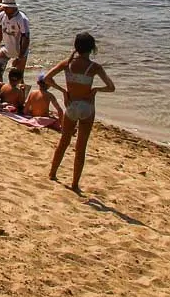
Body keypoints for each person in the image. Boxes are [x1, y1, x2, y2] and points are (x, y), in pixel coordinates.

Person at [43, 31, 116, 193]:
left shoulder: (66, 64)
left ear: (76, 46)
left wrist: (62, 91)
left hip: (71, 106)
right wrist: (96, 89)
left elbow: (47, 78)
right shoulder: (94, 67)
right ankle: (75, 184)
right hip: (87, 107)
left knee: (63, 141)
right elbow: (111, 87)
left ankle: (52, 173)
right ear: (91, 49)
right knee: (81, 147)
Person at [0, 0, 31, 74]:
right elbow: (0, 32)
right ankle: (1, 85)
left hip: (20, 51)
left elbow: (26, 38)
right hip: (6, 49)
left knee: (18, 77)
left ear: (13, 7)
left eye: (7, 8)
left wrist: (20, 57)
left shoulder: (22, 19)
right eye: (3, 7)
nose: (4, 9)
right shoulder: (2, 15)